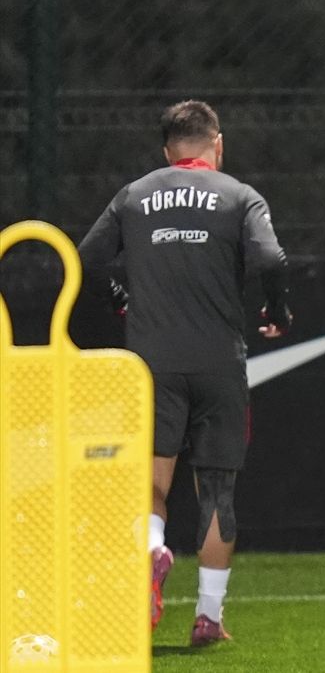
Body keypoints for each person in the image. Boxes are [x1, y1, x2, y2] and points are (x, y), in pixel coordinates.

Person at [78, 100, 292, 646]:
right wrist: (277, 309)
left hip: (151, 364)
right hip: (219, 362)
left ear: (166, 151)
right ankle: (208, 618)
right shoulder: (239, 196)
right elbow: (271, 259)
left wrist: (120, 297)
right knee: (217, 489)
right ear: (217, 144)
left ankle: (153, 549)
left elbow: (85, 259)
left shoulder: (134, 195)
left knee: (151, 481)